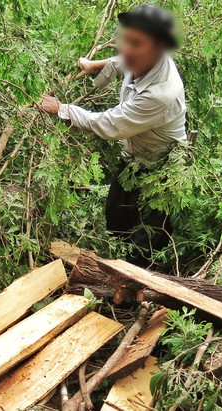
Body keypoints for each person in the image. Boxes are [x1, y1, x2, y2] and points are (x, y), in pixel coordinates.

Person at [40, 4, 186, 265]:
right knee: (116, 223)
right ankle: (115, 272)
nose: (126, 49)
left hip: (163, 170)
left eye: (136, 43)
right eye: (126, 39)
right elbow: (122, 61)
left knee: (147, 245)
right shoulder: (139, 58)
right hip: (133, 160)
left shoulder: (161, 94)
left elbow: (107, 125)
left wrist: (61, 109)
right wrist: (96, 65)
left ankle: (145, 293)